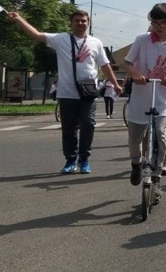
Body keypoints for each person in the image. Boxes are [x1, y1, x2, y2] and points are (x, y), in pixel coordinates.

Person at [8, 10, 121, 173]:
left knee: (88, 124)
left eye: (83, 21)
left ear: (88, 23)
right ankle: (70, 161)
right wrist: (19, 19)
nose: (80, 23)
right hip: (67, 93)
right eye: (77, 20)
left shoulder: (95, 42)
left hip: (88, 92)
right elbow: (37, 35)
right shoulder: (60, 39)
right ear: (71, 23)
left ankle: (84, 160)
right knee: (69, 129)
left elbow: (105, 65)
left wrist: (115, 84)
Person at [123, 4, 166, 202]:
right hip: (141, 97)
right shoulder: (141, 40)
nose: (159, 26)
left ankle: (157, 175)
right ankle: (136, 164)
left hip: (164, 99)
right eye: (155, 22)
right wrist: (136, 74)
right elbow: (126, 63)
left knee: (161, 135)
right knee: (134, 139)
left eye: (164, 22)